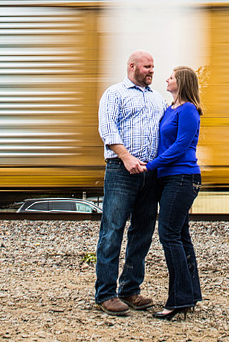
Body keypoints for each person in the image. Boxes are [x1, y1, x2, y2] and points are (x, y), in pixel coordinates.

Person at [94, 50, 166, 316]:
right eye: (147, 66)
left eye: (153, 67)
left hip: (150, 173)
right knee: (112, 230)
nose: (151, 71)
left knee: (143, 232)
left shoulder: (157, 99)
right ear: (132, 66)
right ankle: (105, 294)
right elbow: (107, 129)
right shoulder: (115, 94)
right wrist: (126, 157)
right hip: (121, 171)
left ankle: (130, 290)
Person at [144, 66, 204, 320]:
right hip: (169, 178)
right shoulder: (170, 109)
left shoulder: (189, 109)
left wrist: (150, 165)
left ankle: (178, 300)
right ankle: (188, 296)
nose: (166, 79)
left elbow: (181, 146)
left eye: (171, 76)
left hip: (182, 177)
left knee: (169, 235)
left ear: (182, 82)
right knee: (180, 235)